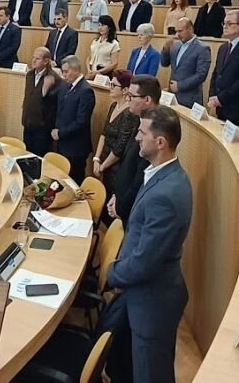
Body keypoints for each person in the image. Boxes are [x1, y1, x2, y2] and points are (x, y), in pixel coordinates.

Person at [100, 105, 192, 383]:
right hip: (139, 291)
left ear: (160, 142)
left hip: (153, 302)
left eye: (142, 132)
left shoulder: (166, 194)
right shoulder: (160, 174)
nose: (137, 137)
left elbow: (145, 261)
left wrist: (113, 273)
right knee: (126, 367)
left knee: (150, 374)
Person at [107, 75, 162, 224]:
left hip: (132, 213)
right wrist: (116, 195)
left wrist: (121, 208)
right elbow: (126, 163)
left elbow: (139, 179)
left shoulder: (154, 131)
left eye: (131, 96)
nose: (127, 99)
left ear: (147, 100)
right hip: (122, 202)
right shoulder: (138, 119)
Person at [92, 69, 140, 201]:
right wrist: (96, 159)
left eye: (114, 85)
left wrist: (102, 166)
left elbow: (120, 147)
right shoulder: (114, 105)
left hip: (116, 168)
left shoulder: (129, 114)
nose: (110, 87)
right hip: (104, 162)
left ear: (125, 90)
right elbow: (104, 133)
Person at [54, 55, 96, 183]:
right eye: (63, 71)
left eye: (66, 72)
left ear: (76, 70)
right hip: (62, 143)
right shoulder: (65, 86)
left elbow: (81, 121)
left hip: (75, 147)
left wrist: (60, 133)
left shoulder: (85, 91)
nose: (64, 75)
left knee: (73, 182)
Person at [21, 47, 59, 155]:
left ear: (46, 61)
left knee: (39, 157)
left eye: (37, 58)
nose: (33, 60)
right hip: (28, 123)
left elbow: (54, 105)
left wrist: (45, 89)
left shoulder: (53, 78)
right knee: (27, 155)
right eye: (33, 57)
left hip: (42, 127)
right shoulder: (30, 74)